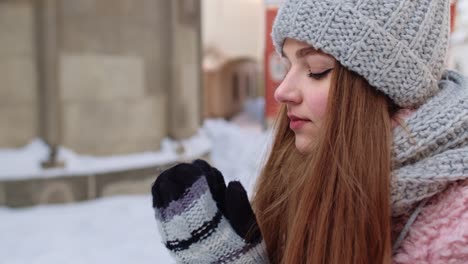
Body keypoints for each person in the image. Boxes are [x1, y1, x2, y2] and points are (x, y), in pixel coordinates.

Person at [151, 0, 468, 263]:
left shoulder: (456, 235)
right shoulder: (308, 172)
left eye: (317, 70)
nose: (283, 91)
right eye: (287, 66)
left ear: (388, 93)